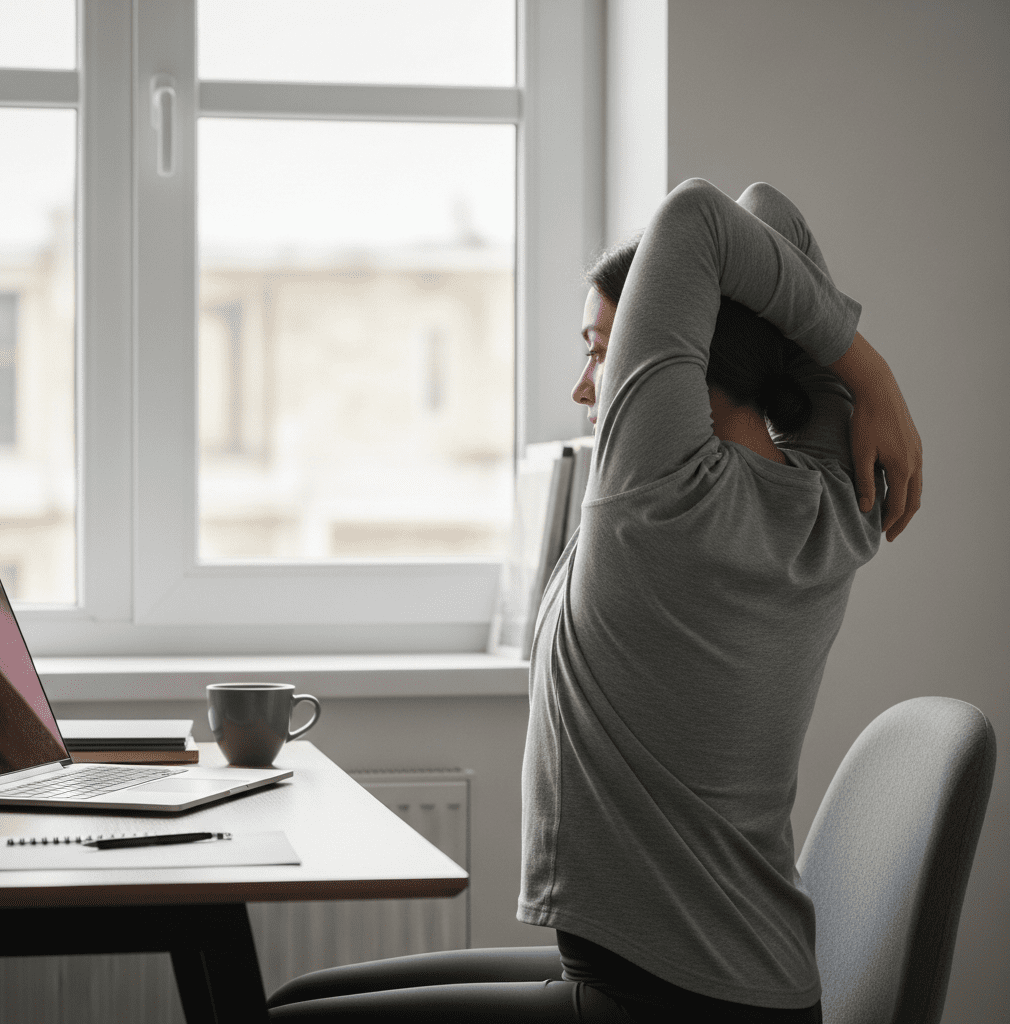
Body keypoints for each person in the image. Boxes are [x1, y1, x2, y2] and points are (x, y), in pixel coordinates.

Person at [265, 180, 923, 1022]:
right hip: (747, 988)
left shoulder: (658, 488)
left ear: (679, 361)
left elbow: (701, 214)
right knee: (297, 999)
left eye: (599, 349)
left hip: (663, 1001)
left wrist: (869, 366)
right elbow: (770, 210)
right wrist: (857, 374)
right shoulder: (836, 501)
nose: (586, 386)